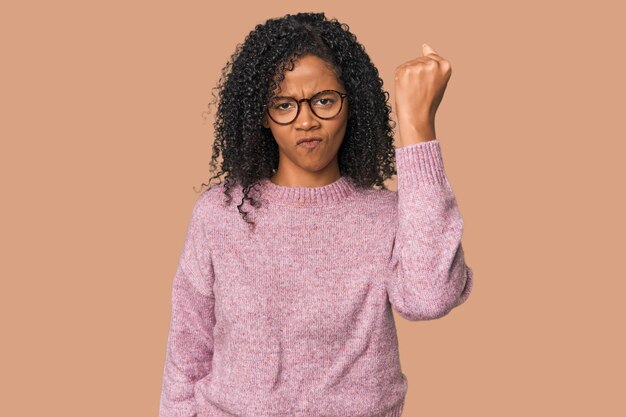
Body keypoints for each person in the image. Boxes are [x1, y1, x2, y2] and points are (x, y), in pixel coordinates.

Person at [158, 12, 473, 417]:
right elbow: (187, 356)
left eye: (324, 100)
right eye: (284, 105)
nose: (306, 120)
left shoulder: (388, 215)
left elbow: (429, 298)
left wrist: (417, 124)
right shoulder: (219, 215)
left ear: (351, 104)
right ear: (261, 115)